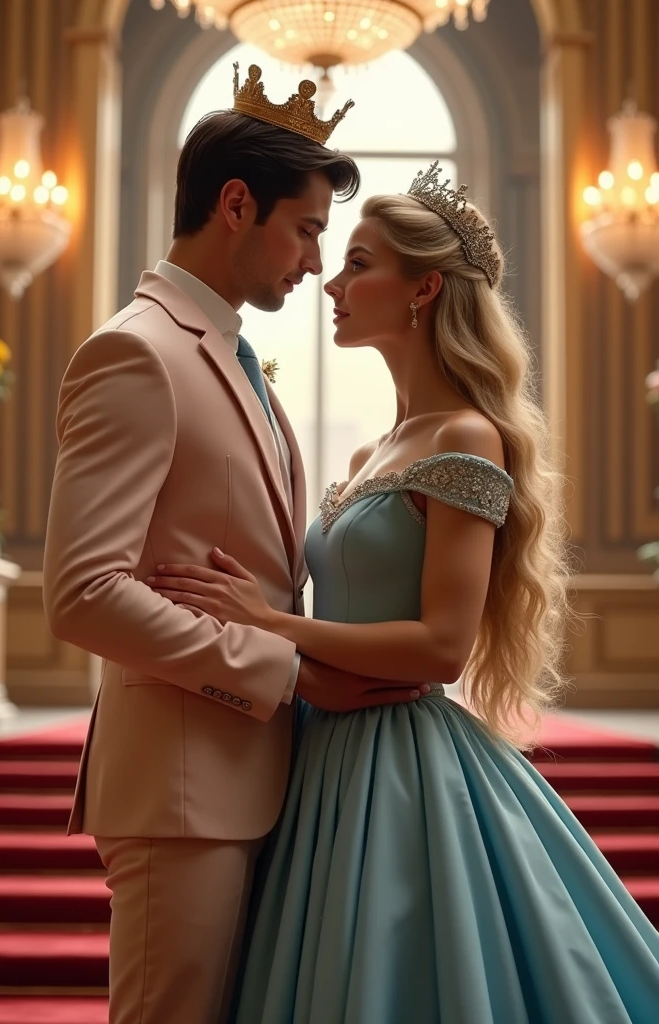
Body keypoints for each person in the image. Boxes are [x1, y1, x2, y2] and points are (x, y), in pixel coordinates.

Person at [148, 163, 659, 1023]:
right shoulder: (372, 452)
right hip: (318, 749)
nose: (331, 284)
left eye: (358, 264)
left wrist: (271, 623)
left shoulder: (467, 438)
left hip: (405, 765)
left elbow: (441, 647)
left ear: (423, 288)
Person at [43, 64, 423, 1024]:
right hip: (185, 795)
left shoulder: (225, 350)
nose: (313, 264)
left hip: (257, 776)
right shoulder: (138, 351)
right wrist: (283, 671)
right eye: (306, 232)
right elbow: (83, 592)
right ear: (237, 204)